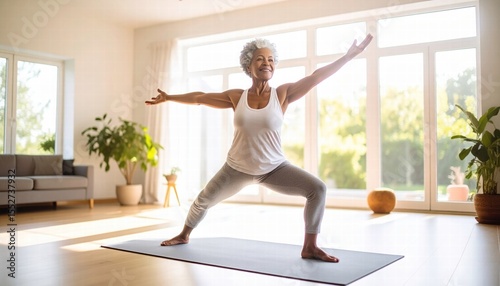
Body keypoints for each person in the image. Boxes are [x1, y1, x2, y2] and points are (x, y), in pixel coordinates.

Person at [145, 34, 373, 263]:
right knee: (203, 200)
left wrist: (347, 57)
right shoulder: (237, 96)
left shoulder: (282, 93)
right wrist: (169, 97)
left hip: (274, 168)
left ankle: (310, 247)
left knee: (318, 189)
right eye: (260, 59)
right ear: (248, 65)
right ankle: (184, 235)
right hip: (236, 168)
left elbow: (315, 78)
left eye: (271, 59)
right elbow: (200, 98)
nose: (267, 63)